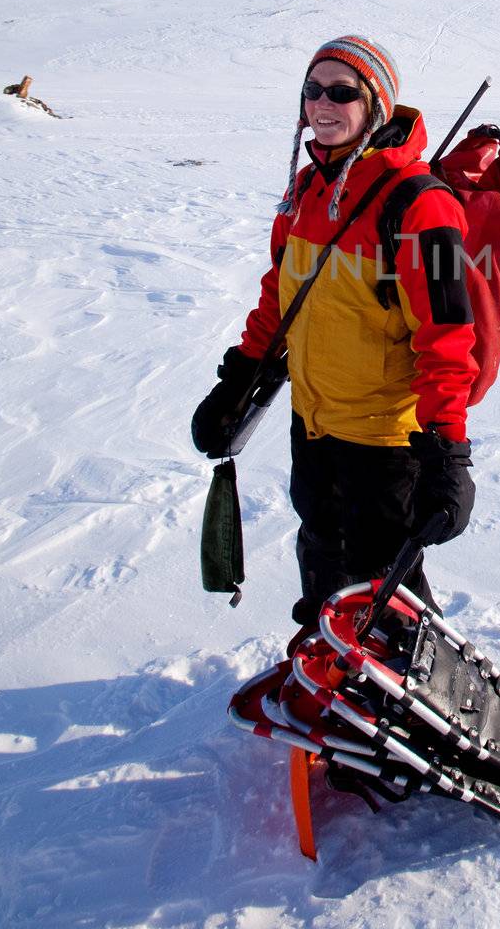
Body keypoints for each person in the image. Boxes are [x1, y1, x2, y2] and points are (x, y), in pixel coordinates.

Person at [191, 36, 476, 632]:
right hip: (314, 419)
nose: (323, 103)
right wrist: (240, 377)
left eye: (342, 92)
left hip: (385, 436)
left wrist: (447, 451)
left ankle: (416, 690)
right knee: (321, 548)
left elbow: (448, 335)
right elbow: (281, 292)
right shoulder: (305, 188)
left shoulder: (421, 204)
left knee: (384, 579)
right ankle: (329, 655)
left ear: (374, 103)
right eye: (312, 90)